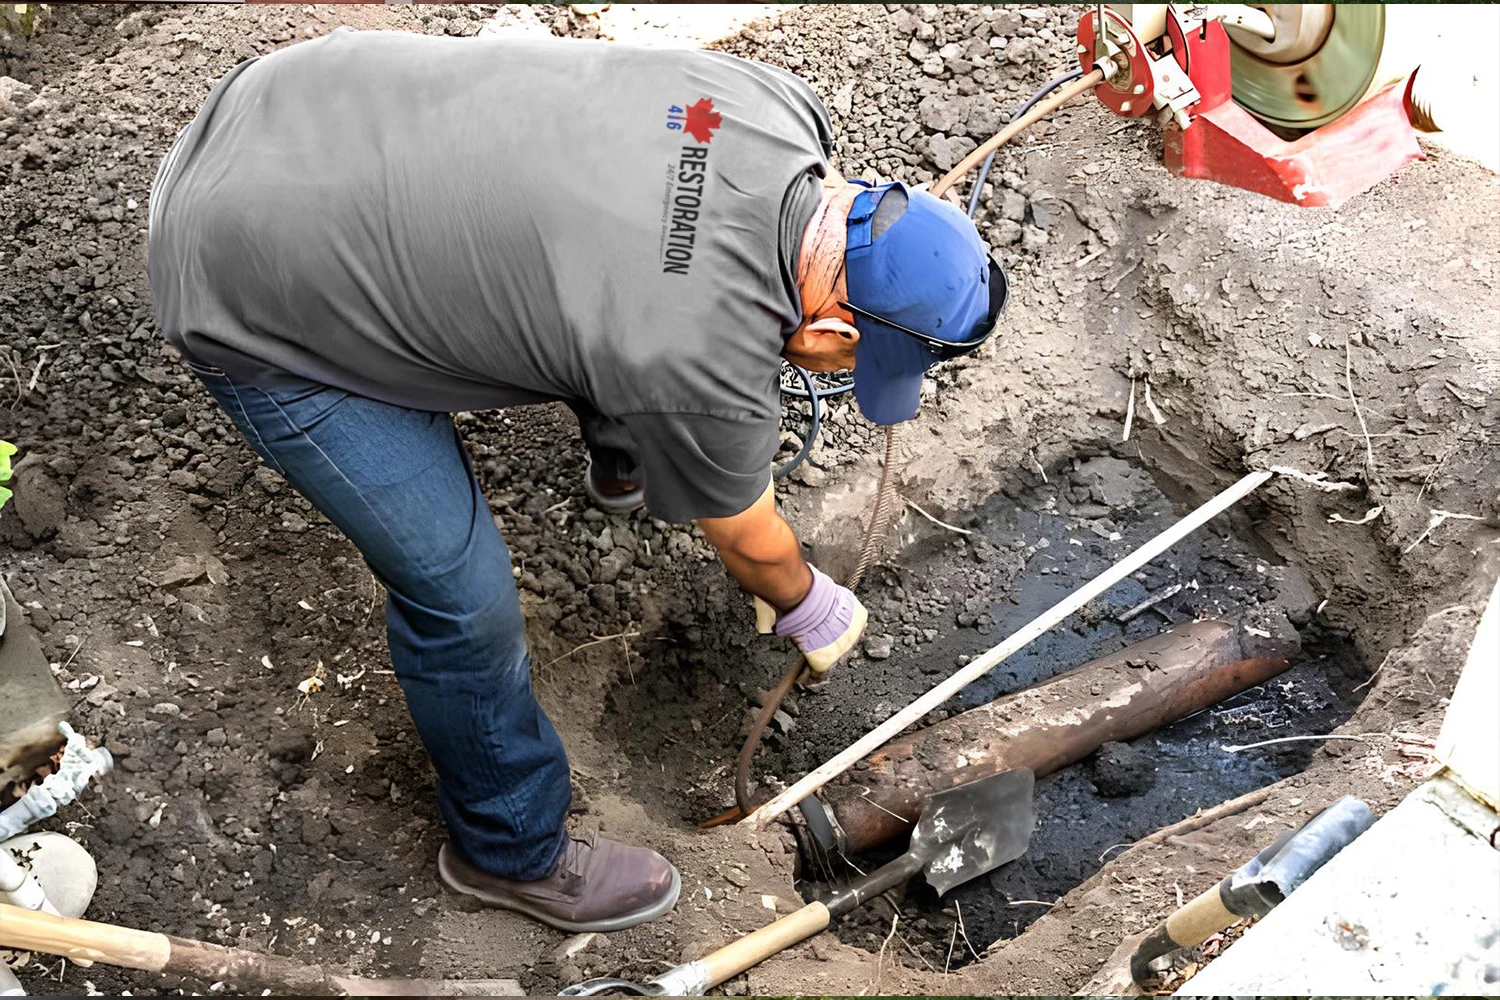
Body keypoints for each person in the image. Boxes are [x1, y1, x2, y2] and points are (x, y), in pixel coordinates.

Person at [147, 27, 1005, 934]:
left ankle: (624, 455)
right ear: (835, 338)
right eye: (854, 367)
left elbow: (642, 258)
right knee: (458, 592)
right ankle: (509, 851)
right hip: (240, 279)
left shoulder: (773, 108)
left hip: (292, 100)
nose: (835, 375)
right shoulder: (693, 351)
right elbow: (750, 538)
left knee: (601, 292)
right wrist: (804, 600)